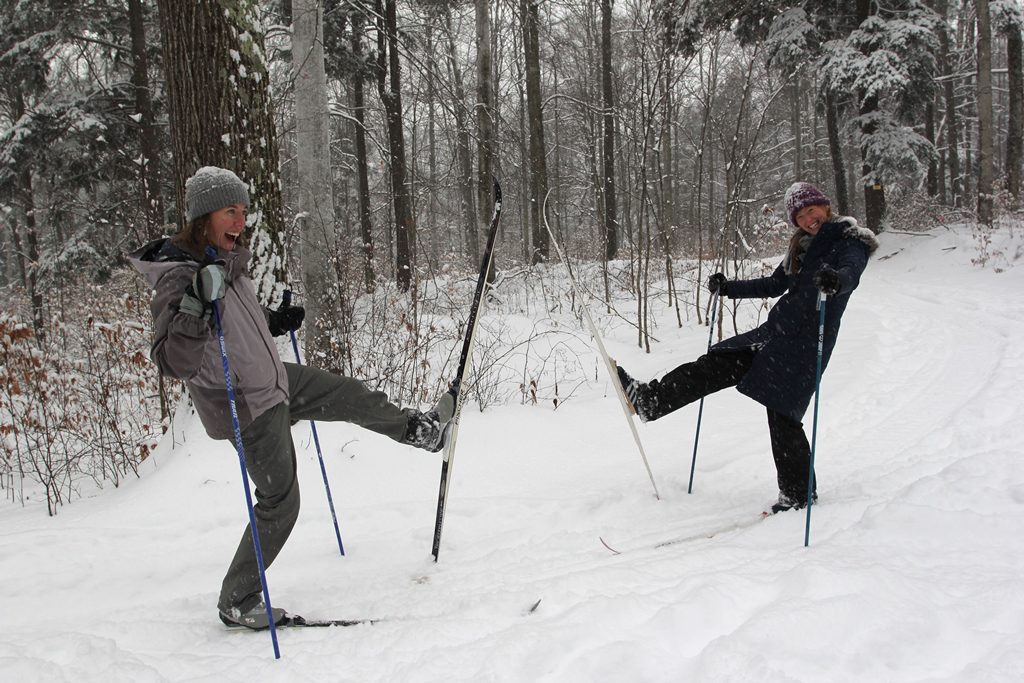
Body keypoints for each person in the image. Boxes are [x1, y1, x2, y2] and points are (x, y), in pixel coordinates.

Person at [128, 166, 454, 629]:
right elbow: (172, 360)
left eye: (243, 211)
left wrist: (271, 321)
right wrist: (196, 304)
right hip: (246, 405)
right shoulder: (178, 277)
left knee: (347, 393)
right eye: (229, 212)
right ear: (203, 216)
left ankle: (419, 431)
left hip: (275, 379)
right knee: (281, 501)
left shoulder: (224, 259)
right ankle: (237, 599)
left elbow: (235, 317)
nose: (240, 222)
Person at [616, 182, 878, 514]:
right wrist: (728, 289)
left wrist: (835, 281)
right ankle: (651, 401)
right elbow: (774, 284)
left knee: (783, 415)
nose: (809, 219)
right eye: (800, 215)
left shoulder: (849, 240)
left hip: (806, 342)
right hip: (777, 332)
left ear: (825, 207)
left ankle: (798, 495)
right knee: (717, 363)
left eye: (812, 210)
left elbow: (851, 272)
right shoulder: (801, 247)